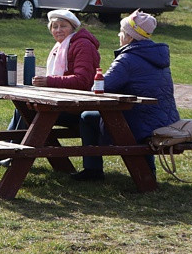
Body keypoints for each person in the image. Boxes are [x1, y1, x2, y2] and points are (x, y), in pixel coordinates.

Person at [73, 10, 179, 182]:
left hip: (139, 121)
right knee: (141, 117)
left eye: (121, 32)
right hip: (166, 119)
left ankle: (93, 169)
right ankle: (148, 170)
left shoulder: (127, 59)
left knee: (87, 117)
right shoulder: (158, 57)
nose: (119, 35)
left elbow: (100, 87)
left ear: (130, 37)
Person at [0, 9, 101, 166]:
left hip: (78, 106)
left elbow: (82, 81)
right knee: (22, 107)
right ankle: (5, 151)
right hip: (63, 102)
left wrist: (49, 81)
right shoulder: (60, 46)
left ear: (72, 28)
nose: (58, 30)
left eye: (63, 26)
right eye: (54, 27)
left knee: (29, 110)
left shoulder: (82, 45)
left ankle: (14, 157)